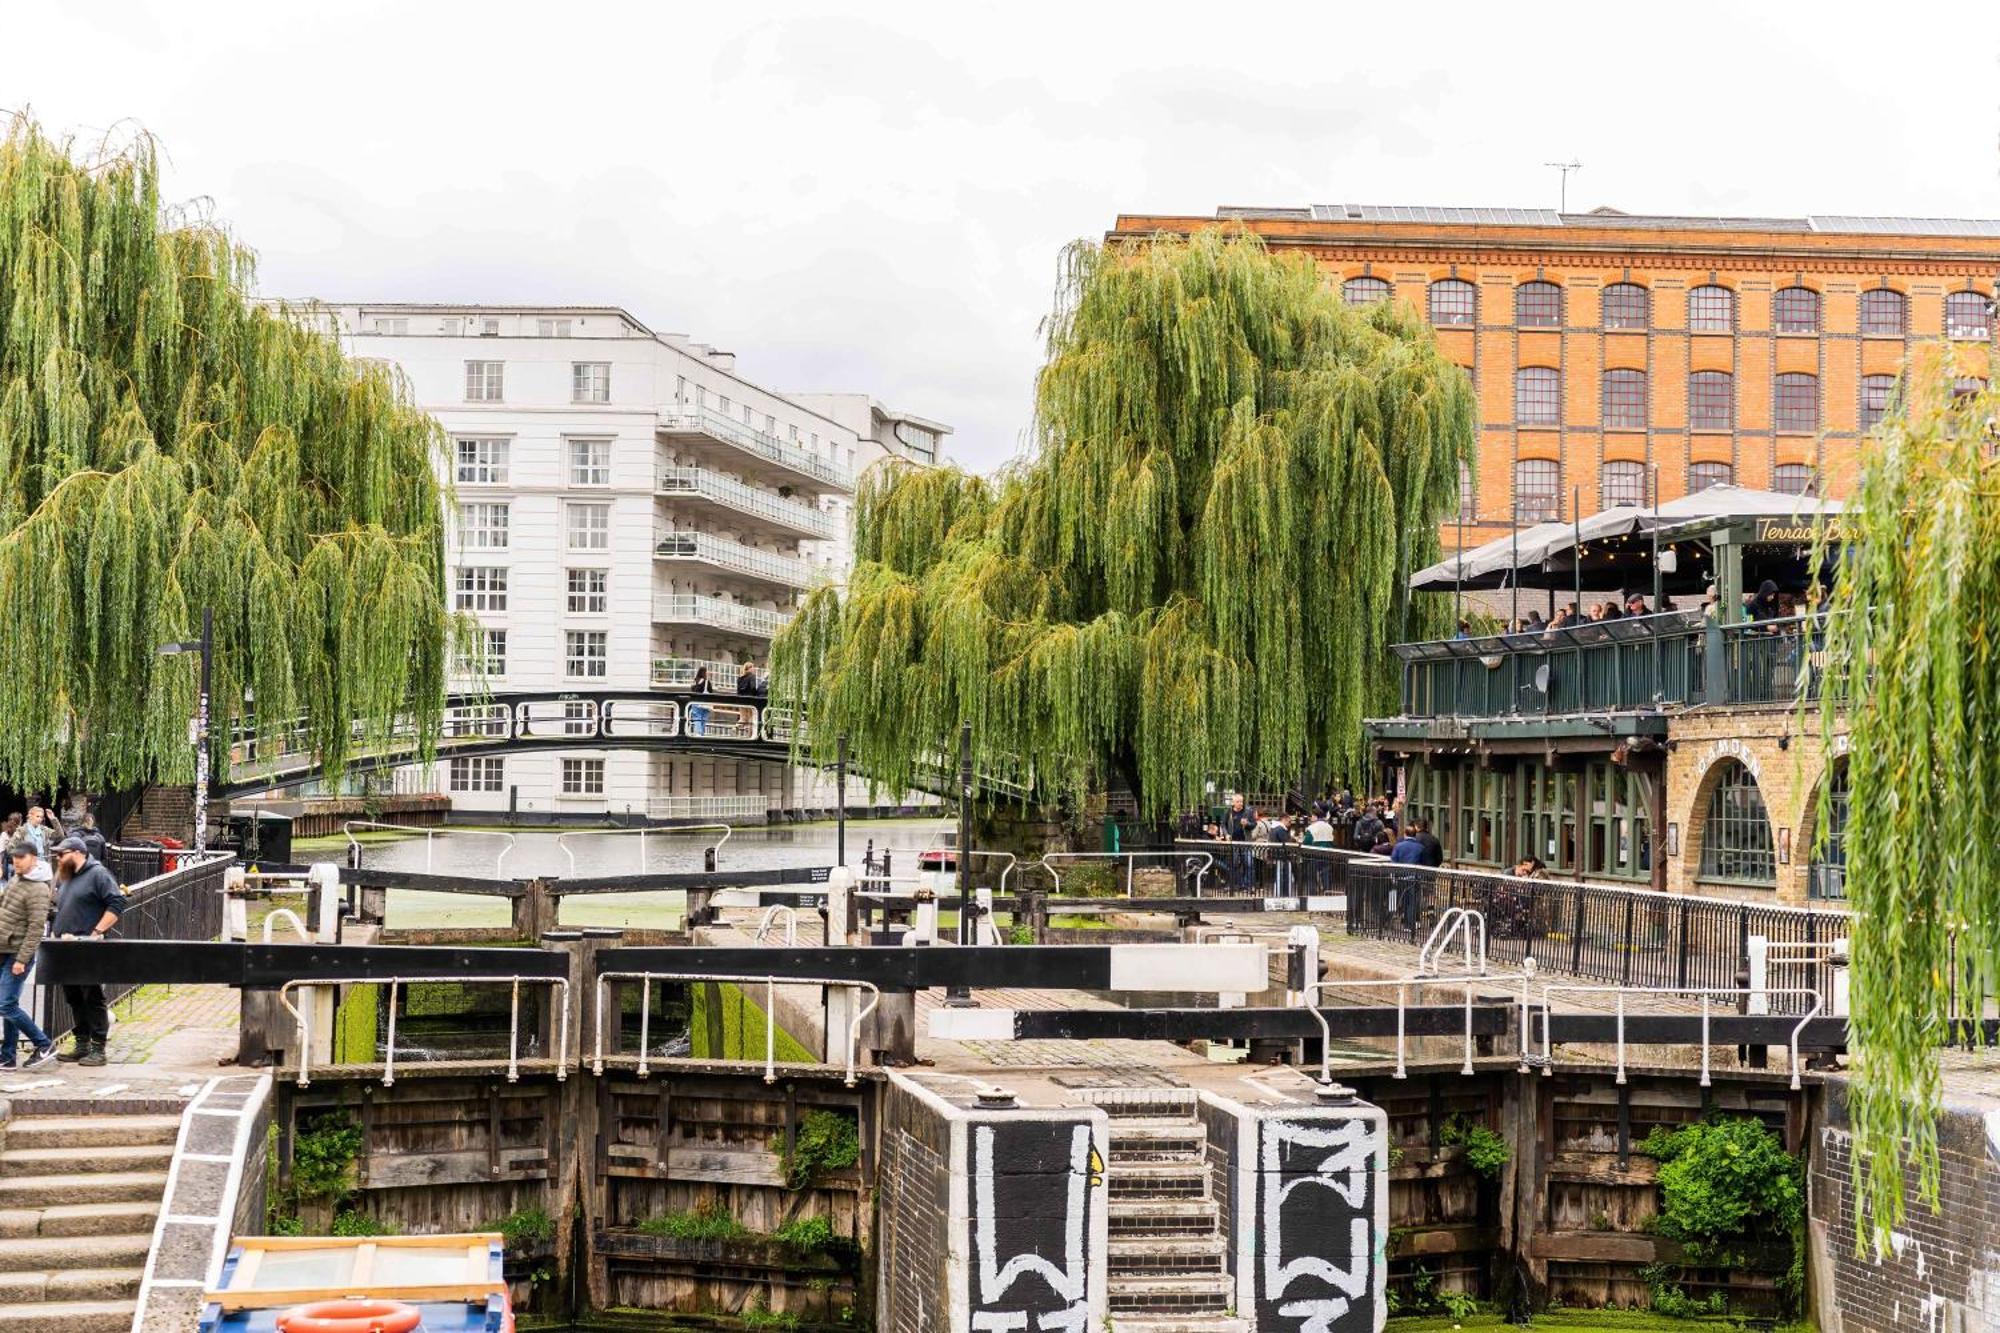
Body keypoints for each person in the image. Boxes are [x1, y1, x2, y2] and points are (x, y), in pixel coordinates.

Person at [50, 836, 126, 1066]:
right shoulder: (67, 877)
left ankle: (98, 1048)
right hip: (67, 947)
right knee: (73, 997)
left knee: (91, 996)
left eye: (62, 854)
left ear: (77, 852)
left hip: (88, 947)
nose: (58, 858)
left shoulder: (98, 874)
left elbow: (117, 903)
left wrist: (97, 931)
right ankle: (81, 1044)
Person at [0, 843, 56, 1069]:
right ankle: (8, 1056)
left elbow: (35, 928)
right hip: (4, 948)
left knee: (5, 1004)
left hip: (16, 954)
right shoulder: (17, 879)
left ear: (34, 858)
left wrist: (22, 960)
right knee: (8, 1003)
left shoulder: (39, 889)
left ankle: (44, 1044)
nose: (16, 862)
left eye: (21, 858)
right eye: (14, 858)